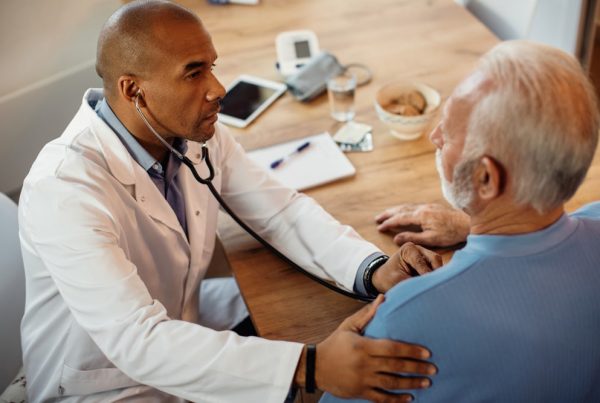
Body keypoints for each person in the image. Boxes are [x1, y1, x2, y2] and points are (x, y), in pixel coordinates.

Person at [18, 1, 442, 402]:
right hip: (102, 384)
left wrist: (371, 269)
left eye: (212, 67)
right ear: (134, 91)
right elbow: (137, 341)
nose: (218, 89)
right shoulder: (64, 189)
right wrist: (309, 366)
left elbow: (280, 211)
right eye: (193, 73)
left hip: (182, 320)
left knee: (297, 316)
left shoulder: (191, 136)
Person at [321, 40, 600, 402]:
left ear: (486, 179)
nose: (435, 136)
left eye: (449, 133)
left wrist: (312, 366)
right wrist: (474, 225)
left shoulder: (406, 318)